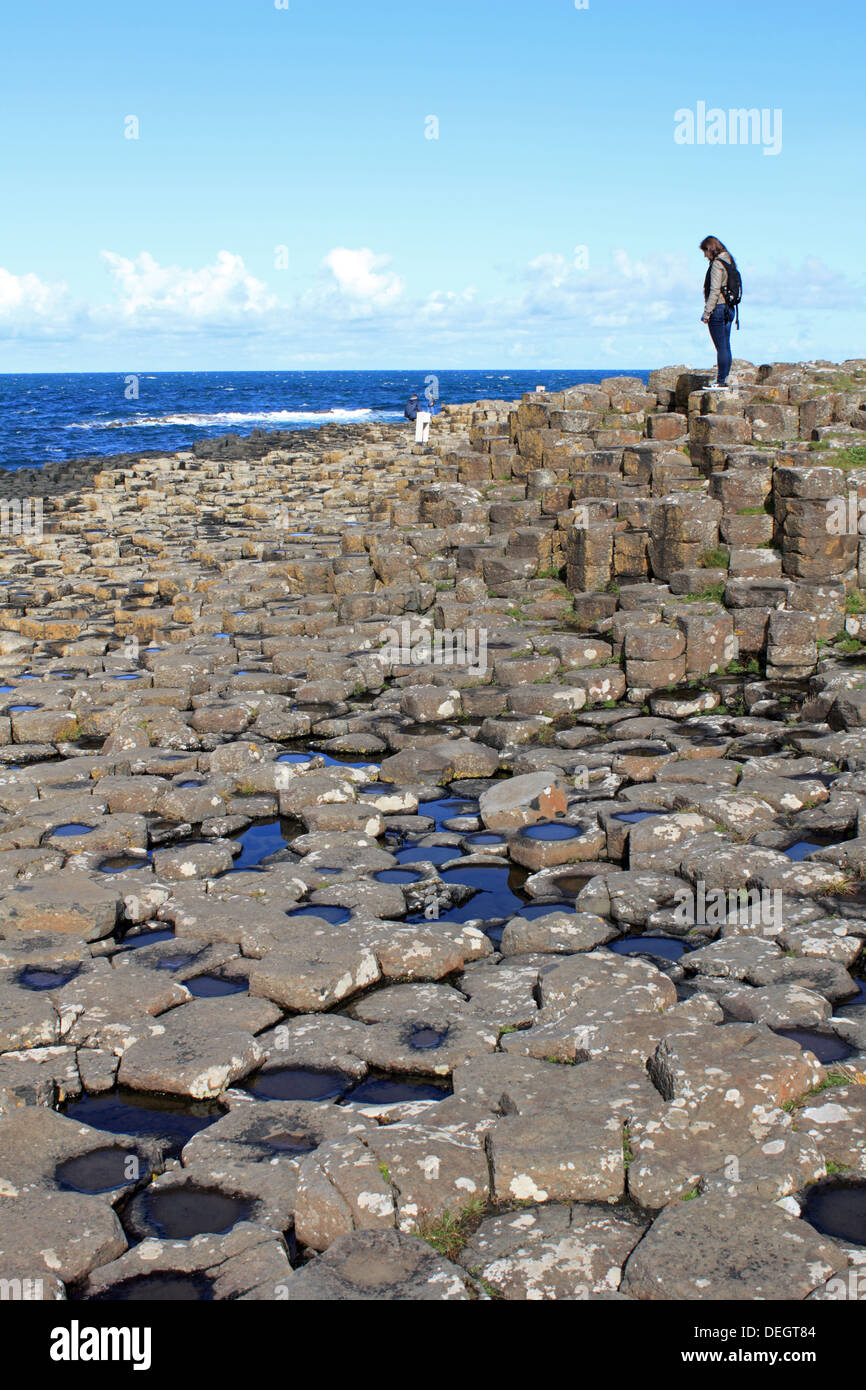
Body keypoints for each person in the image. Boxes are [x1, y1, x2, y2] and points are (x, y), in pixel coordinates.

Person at [700, 235, 736, 389]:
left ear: (710, 249)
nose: (704, 255)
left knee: (721, 346)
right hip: (729, 308)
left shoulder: (717, 264)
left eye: (705, 251)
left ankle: (721, 381)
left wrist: (707, 312)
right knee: (725, 346)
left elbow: (714, 290)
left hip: (719, 308)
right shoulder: (729, 261)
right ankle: (724, 379)